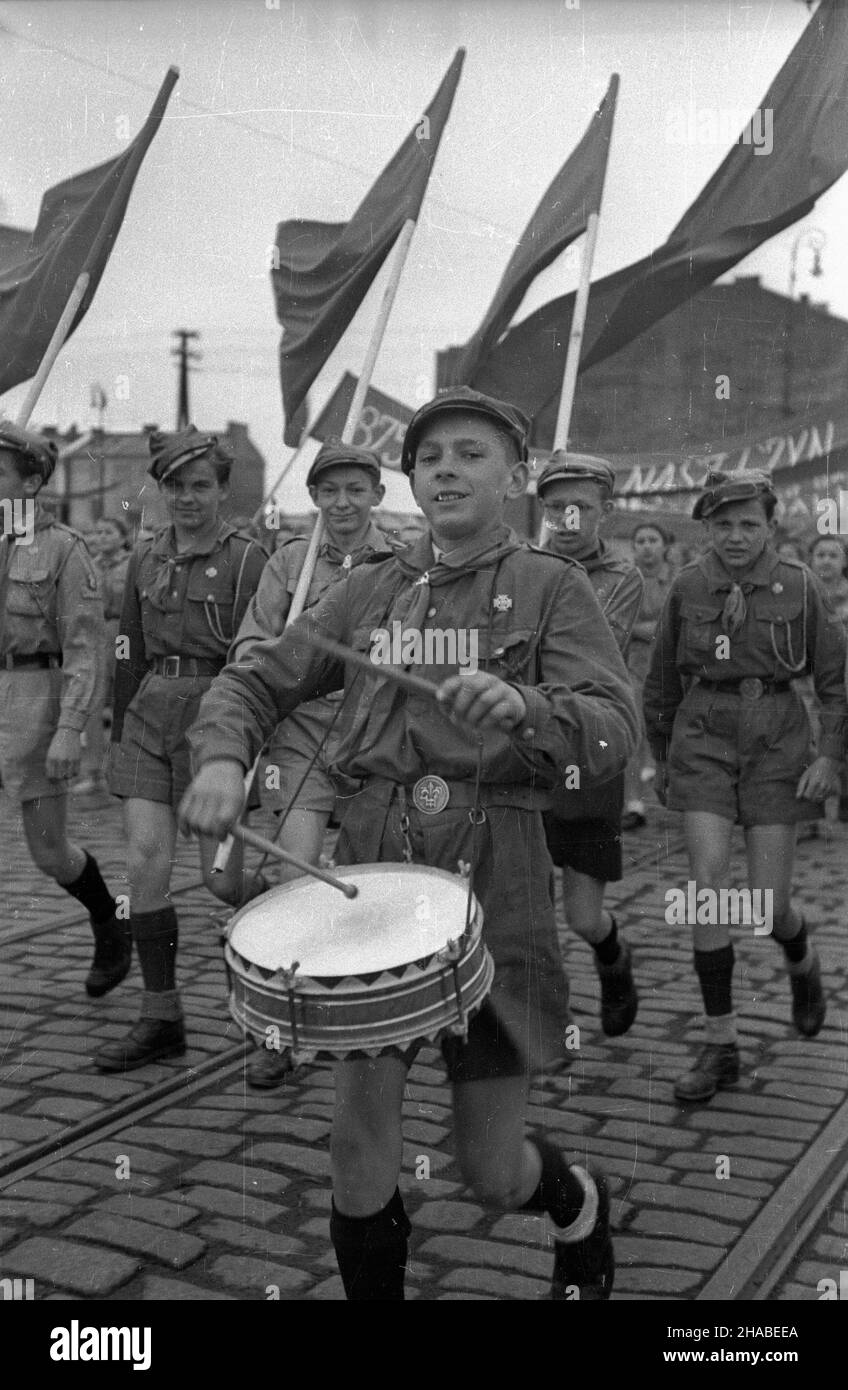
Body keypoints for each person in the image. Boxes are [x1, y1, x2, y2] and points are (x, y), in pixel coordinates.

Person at [179, 386, 639, 1301]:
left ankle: (575, 1202)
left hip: (497, 873)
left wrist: (529, 706)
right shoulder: (371, 587)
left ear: (514, 478)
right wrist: (225, 759)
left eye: (471, 454)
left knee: (492, 1171)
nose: (447, 471)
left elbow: (616, 724)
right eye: (431, 457)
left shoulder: (556, 587)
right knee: (358, 1150)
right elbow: (254, 679)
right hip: (374, 875)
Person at [643, 469, 846, 1104]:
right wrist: (664, 760)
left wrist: (831, 759)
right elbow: (661, 685)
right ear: (707, 527)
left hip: (778, 739)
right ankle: (721, 1043)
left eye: (748, 524)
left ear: (770, 527)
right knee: (708, 884)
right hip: (703, 734)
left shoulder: (800, 587)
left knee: (765, 903)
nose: (736, 536)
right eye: (724, 524)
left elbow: (837, 682)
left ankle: (800, 953)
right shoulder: (688, 586)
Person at [95, 427, 267, 1073]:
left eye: (201, 486)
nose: (188, 498)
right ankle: (161, 1015)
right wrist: (118, 740)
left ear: (223, 490)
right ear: (161, 491)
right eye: (175, 487)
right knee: (144, 865)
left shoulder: (250, 559)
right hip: (148, 716)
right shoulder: (145, 558)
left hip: (216, 720)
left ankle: (269, 936)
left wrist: (253, 748)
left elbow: (261, 664)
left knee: (222, 880)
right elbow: (129, 651)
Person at [230, 439, 390, 1088]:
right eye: (330, 491)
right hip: (301, 740)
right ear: (314, 497)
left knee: (363, 888)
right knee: (298, 882)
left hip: (372, 744)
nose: (343, 503)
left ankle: (369, 1012)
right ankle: (285, 1033)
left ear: (378, 495)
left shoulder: (403, 565)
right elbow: (249, 645)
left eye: (356, 490)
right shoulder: (289, 563)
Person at [0, 421, 130, 996]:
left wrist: (70, 730)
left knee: (50, 851)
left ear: (30, 483)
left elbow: (85, 650)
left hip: (34, 704)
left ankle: (109, 918)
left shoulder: (64, 551)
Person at [536, 452, 643, 1037]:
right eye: (556, 508)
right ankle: (545, 1017)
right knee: (523, 905)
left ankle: (612, 954)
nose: (568, 519)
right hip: (525, 751)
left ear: (605, 510)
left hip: (587, 748)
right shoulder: (521, 565)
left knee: (581, 915)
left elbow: (585, 652)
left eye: (580, 508)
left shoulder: (621, 578)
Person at [623, 520, 676, 828]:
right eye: (640, 540)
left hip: (671, 668)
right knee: (634, 733)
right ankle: (634, 803)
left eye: (652, 540)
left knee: (670, 733)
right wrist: (645, 630)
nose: (646, 546)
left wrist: (650, 630)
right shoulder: (627, 580)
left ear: (664, 545)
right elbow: (615, 623)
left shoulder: (677, 579)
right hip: (635, 666)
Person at [74, 515, 132, 796]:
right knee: (94, 705)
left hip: (125, 633)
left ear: (123, 537)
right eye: (97, 532)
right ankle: (94, 772)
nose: (101, 537)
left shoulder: (133, 564)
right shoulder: (89, 566)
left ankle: (124, 771)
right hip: (97, 634)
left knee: (126, 703)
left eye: (108, 532)